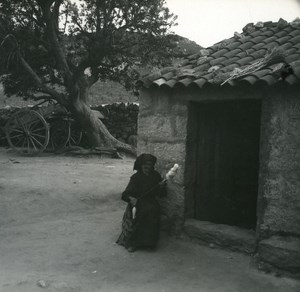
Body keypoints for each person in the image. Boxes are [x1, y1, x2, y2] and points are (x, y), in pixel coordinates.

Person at [116, 153, 167, 252]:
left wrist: (161, 187)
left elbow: (162, 195)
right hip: (137, 202)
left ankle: (149, 243)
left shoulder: (155, 175)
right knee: (142, 212)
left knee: (154, 210)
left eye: (150, 164)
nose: (148, 167)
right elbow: (125, 194)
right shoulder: (136, 177)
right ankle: (133, 243)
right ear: (140, 165)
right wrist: (131, 199)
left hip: (151, 201)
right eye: (145, 165)